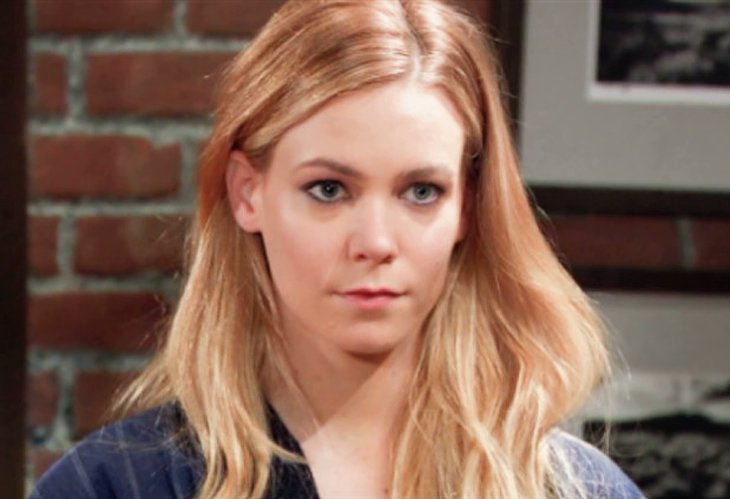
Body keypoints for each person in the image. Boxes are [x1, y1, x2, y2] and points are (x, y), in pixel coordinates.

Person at [31, 1, 643, 498]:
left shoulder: (574, 490)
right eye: (329, 190)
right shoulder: (115, 486)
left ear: (467, 207)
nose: (375, 243)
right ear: (247, 193)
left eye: (421, 192)